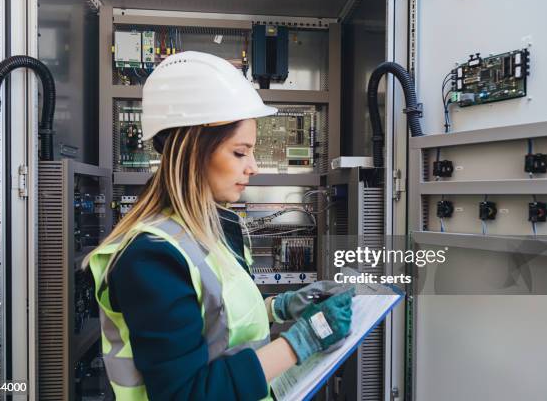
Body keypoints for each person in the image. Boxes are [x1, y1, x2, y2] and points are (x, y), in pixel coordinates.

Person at [84, 51, 354, 400]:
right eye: (240, 152)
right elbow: (189, 394)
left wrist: (280, 307)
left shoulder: (209, 232)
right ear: (194, 151)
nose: (253, 166)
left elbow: (217, 323)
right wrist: (301, 340)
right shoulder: (150, 258)